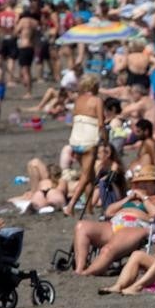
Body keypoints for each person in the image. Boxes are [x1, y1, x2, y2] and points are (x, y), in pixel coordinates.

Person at [73, 164, 155, 275]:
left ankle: (87, 273)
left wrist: (144, 198)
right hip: (115, 223)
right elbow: (109, 211)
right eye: (140, 182)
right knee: (81, 226)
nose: (142, 185)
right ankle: (80, 268)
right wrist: (128, 198)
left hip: (135, 227)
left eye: (147, 182)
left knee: (107, 249)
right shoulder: (131, 198)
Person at [63, 74, 105, 216]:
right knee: (86, 175)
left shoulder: (78, 100)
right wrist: (105, 140)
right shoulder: (97, 100)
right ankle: (71, 205)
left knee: (90, 175)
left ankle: (89, 208)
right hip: (89, 139)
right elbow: (100, 123)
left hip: (75, 138)